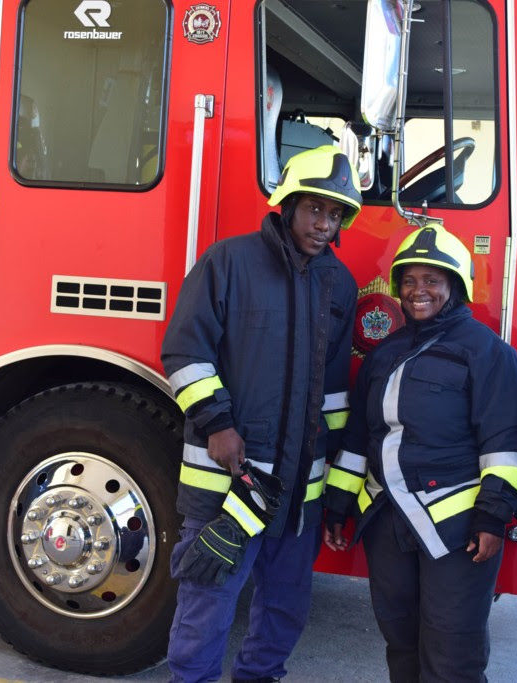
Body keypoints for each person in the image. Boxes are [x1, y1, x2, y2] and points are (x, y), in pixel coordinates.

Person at [161, 145, 362, 683]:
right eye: (315, 209)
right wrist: (219, 426)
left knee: (286, 606)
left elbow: (337, 390)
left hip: (300, 493)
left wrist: (337, 478)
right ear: (289, 205)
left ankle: (259, 676)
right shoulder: (227, 262)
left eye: (335, 214)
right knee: (207, 605)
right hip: (231, 482)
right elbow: (184, 352)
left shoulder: (339, 284)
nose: (324, 224)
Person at [324, 224, 517, 683]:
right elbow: (360, 435)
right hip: (387, 522)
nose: (419, 291)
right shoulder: (385, 353)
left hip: (457, 533)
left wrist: (493, 518)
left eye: (432, 281)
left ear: (455, 286)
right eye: (410, 281)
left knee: (452, 652)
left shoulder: (488, 352)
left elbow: (503, 446)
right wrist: (338, 503)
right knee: (401, 641)